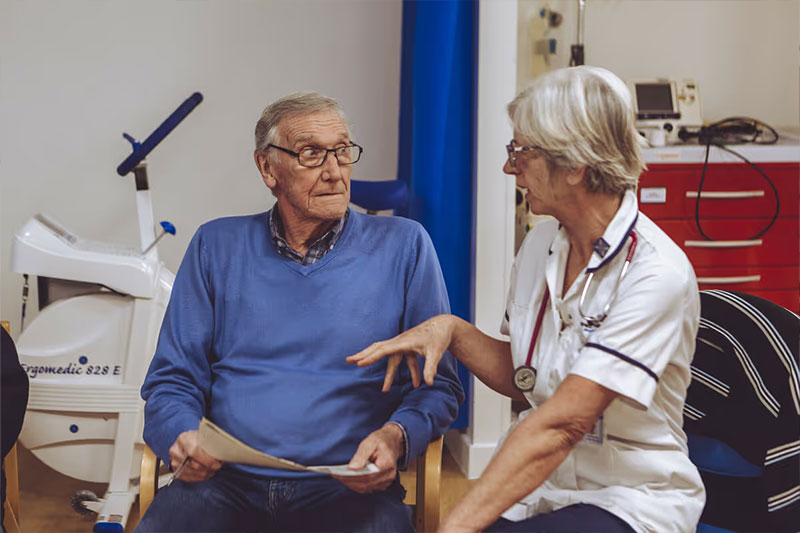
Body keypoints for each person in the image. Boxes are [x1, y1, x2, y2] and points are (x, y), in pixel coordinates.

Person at [349, 66, 706, 532]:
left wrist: (454, 526)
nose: (508, 167)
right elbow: (526, 378)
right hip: (539, 486)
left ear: (576, 164)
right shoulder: (541, 246)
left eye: (521, 152)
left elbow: (565, 423)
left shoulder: (656, 273)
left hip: (626, 496)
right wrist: (452, 331)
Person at [136, 91, 463, 533]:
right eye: (311, 154)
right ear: (267, 168)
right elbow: (171, 378)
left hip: (347, 485)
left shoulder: (405, 246)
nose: (334, 172)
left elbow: (438, 385)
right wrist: (180, 435)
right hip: (224, 481)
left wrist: (397, 437)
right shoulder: (216, 245)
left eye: (342, 152)